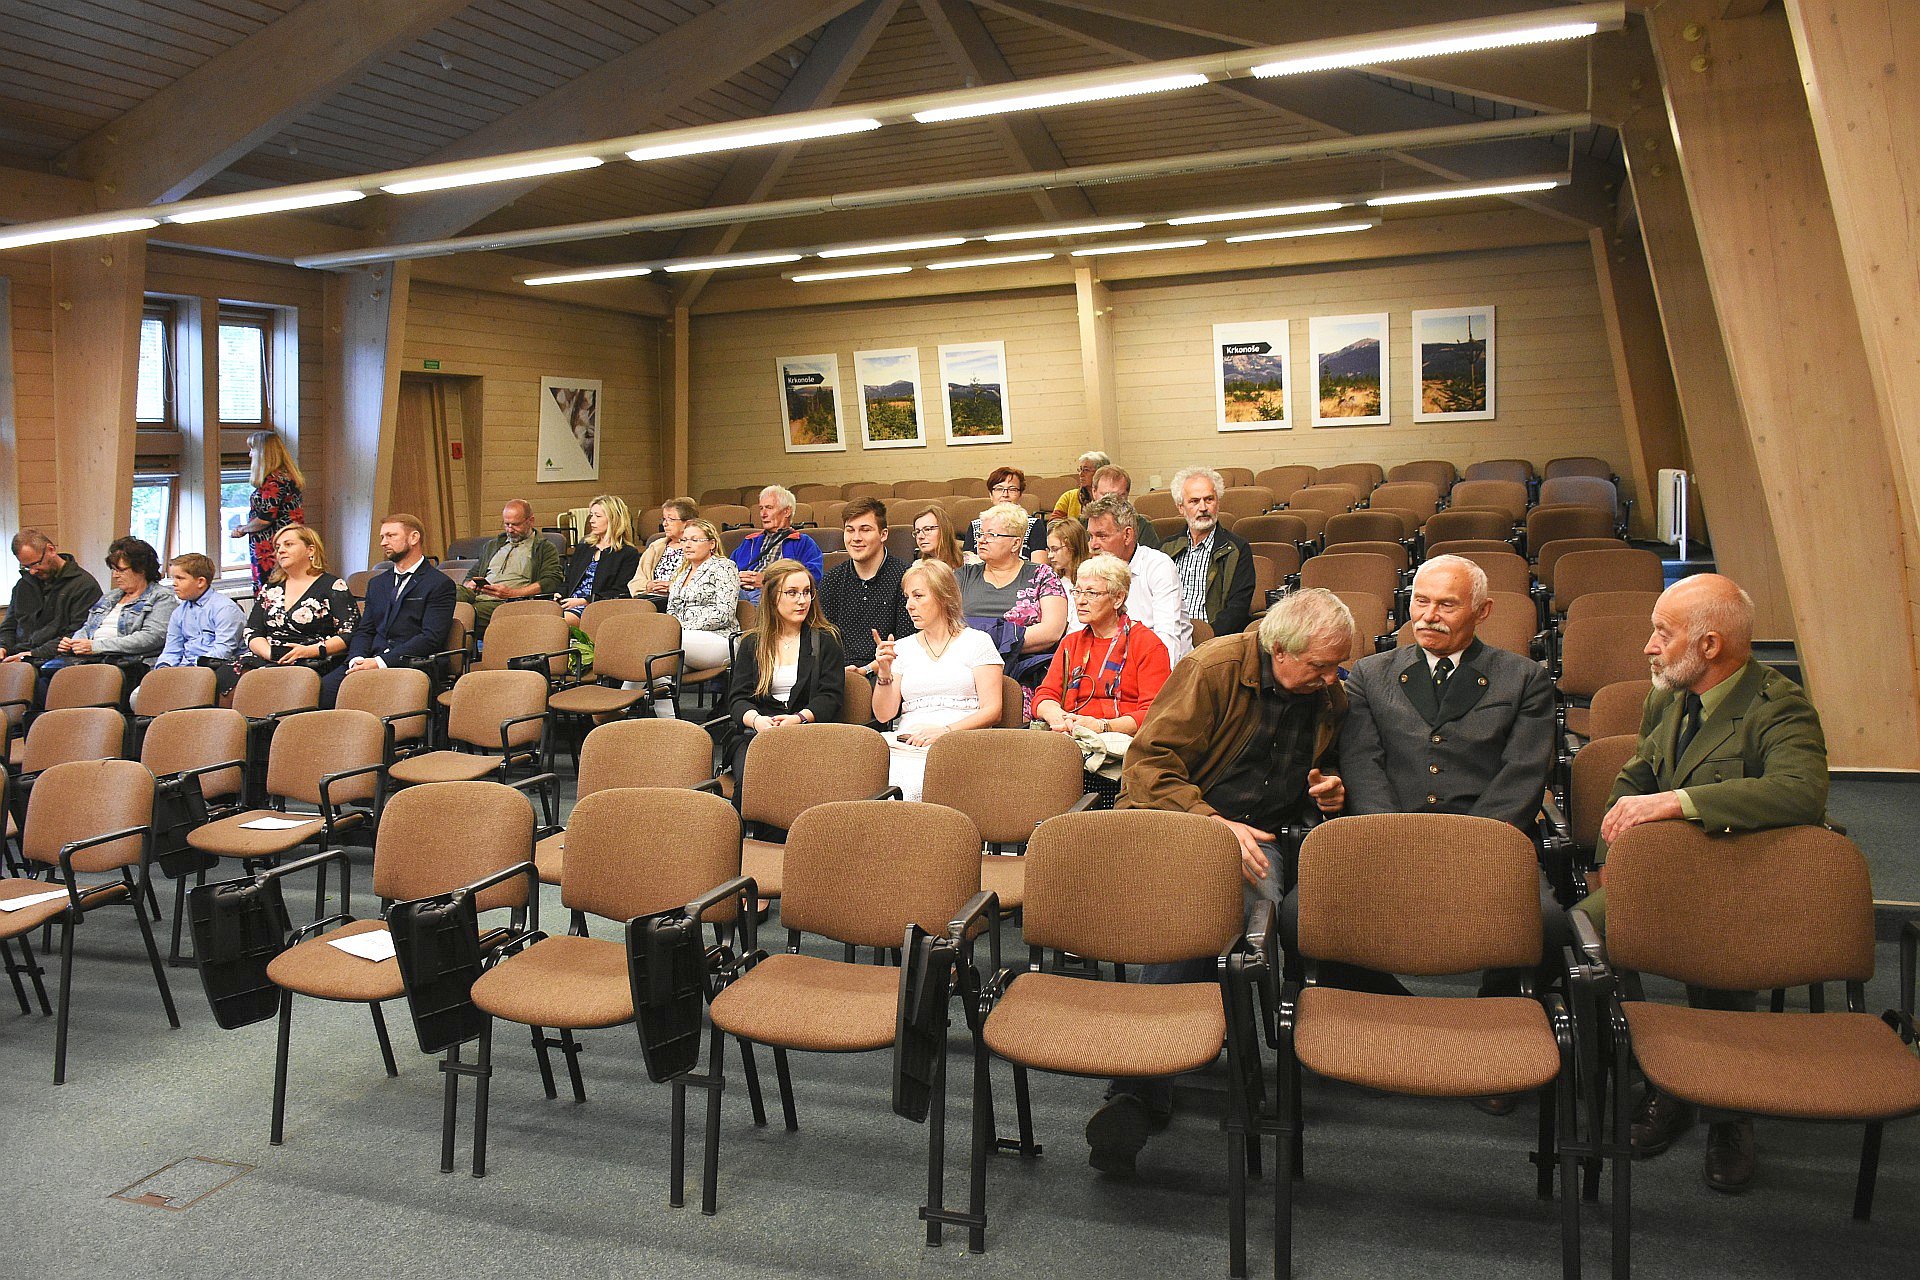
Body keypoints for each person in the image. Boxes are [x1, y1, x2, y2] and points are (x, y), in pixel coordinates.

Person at [1091, 588, 1351, 1174]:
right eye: (1320, 666)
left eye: (1337, 665)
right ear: (1279, 651)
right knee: (1198, 908)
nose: (1332, 678)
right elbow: (1148, 766)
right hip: (1181, 823)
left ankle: (1141, 1085)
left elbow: (1328, 765)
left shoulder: (1325, 693)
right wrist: (1213, 824)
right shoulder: (1212, 671)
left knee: (1222, 905)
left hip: (1265, 838)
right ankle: (1148, 1081)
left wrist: (1331, 789)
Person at [1585, 573, 1829, 1193]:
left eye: (1662, 633)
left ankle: (1727, 1113)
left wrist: (1677, 802)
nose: (1648, 646)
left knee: (1715, 962)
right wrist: (1612, 847)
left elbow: (1800, 792)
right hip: (1668, 872)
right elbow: (1637, 774)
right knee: (1581, 933)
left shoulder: (1779, 705)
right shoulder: (1668, 697)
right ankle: (1663, 1078)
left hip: (1741, 879)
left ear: (1710, 645)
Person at [1335, 554, 1560, 1094]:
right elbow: (1363, 765)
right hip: (1389, 837)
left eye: (1446, 604)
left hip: (1486, 842)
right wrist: (1393, 841)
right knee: (1301, 920)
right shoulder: (1371, 673)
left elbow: (1522, 776)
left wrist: (1467, 851)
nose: (1429, 616)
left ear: (1482, 612)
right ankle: (1401, 1017)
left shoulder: (1524, 678)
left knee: (1549, 927)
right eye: (1420, 601)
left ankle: (1496, 1041)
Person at [870, 559, 1004, 802]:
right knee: (871, 778)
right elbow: (883, 715)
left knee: (912, 784)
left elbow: (993, 710)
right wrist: (885, 672)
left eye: (918, 596)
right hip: (908, 745)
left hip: (960, 743)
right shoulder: (902, 648)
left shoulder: (977, 642)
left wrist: (945, 732)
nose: (909, 605)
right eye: (907, 597)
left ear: (944, 596)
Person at [724, 558, 846, 810]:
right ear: (772, 598)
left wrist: (798, 718)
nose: (802, 600)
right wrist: (757, 720)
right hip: (757, 734)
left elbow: (830, 697)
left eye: (807, 592)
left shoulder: (826, 639)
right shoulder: (752, 643)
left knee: (788, 782)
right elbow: (737, 699)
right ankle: (742, 835)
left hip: (807, 733)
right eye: (792, 593)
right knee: (752, 779)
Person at [1031, 553, 1171, 738]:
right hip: (1070, 734)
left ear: (1118, 599)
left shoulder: (1148, 645)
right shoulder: (1071, 643)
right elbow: (1045, 695)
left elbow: (1154, 714)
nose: (1080, 600)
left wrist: (1102, 726)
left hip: (1123, 740)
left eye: (1091, 593)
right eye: (1077, 591)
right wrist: (1058, 717)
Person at [323, 514, 454, 707]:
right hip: (369, 661)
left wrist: (380, 662)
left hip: (410, 664)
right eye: (382, 537)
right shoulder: (377, 583)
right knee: (326, 689)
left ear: (414, 538)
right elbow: (365, 630)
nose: (383, 542)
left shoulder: (439, 584)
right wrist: (357, 658)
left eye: (391, 536)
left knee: (368, 696)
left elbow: (431, 637)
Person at [958, 502, 1067, 695]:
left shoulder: (1042, 575)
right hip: (965, 669)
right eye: (980, 534)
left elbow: (1052, 631)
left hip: (1023, 671)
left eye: (991, 535)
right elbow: (943, 625)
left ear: (1016, 543)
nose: (981, 541)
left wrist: (992, 642)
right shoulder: (962, 576)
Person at [241, 525, 358, 688]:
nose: (281, 550)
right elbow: (252, 631)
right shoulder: (271, 588)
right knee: (229, 675)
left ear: (310, 550)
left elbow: (349, 634)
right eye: (278, 547)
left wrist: (309, 651)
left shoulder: (333, 586)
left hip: (313, 658)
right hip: (270, 657)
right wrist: (269, 653)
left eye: (288, 544)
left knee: (265, 683)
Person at [52, 537, 176, 684]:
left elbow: (151, 638)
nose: (115, 575)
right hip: (92, 659)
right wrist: (74, 642)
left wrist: (96, 646)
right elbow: (88, 627)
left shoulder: (162, 597)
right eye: (114, 570)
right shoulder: (110, 596)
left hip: (129, 665)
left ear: (141, 569)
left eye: (121, 570)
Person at [1084, 494, 1190, 662]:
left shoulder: (1158, 566)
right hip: (1111, 667)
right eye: (1090, 536)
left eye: (1102, 536)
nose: (1093, 545)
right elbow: (1079, 633)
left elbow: (1168, 639)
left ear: (1127, 535)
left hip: (1159, 666)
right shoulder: (1092, 570)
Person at [818, 497, 914, 672]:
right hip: (837, 673)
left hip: (890, 670)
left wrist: (867, 670)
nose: (856, 538)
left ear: (883, 534)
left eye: (865, 530)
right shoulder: (832, 580)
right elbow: (822, 641)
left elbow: (908, 644)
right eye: (850, 530)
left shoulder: (905, 578)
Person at [1162, 466, 1256, 637]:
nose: (1203, 507)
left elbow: (1237, 609)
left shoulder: (1237, 549)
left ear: (1217, 503)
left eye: (1209, 499)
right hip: (1169, 637)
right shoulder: (1165, 549)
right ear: (1181, 507)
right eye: (1194, 501)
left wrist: (1206, 637)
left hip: (1214, 640)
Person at [460, 500, 563, 637]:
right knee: (448, 593)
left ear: (531, 521)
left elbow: (551, 581)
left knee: (464, 613)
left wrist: (513, 593)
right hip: (478, 596)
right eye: (506, 524)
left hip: (508, 602)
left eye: (515, 525)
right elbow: (471, 574)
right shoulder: (492, 546)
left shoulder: (544, 548)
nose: (509, 529)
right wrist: (470, 584)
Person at [0, 531, 103, 666]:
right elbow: (9, 625)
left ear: (51, 550)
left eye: (36, 563)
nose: (32, 571)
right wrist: (3, 646)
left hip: (53, 660)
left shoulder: (84, 585)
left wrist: (32, 654)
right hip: (17, 656)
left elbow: (77, 633)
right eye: (27, 567)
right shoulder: (24, 584)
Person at [230, 430, 305, 591]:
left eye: (253, 449)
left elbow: (265, 519)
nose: (250, 454)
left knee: (272, 592)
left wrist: (242, 529)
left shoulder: (273, 481)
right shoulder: (286, 476)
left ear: (263, 453)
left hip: (272, 549)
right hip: (289, 542)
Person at [668, 518, 744, 673]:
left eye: (694, 540)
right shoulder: (680, 574)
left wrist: (680, 629)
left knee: (657, 642)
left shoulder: (724, 567)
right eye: (684, 540)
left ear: (712, 544)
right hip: (682, 640)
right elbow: (671, 611)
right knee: (649, 669)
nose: (687, 545)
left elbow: (724, 614)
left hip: (719, 639)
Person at [153, 552, 246, 673]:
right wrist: (163, 669)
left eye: (180, 578)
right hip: (185, 670)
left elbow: (222, 652)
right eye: (173, 578)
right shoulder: (178, 613)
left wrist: (188, 670)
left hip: (217, 670)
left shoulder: (225, 609)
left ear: (201, 582)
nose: (174, 583)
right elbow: (171, 650)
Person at [730, 486, 823, 604]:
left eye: (769, 508)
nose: (763, 514)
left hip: (774, 595)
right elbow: (728, 568)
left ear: (787, 511)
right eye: (761, 508)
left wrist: (769, 581)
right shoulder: (750, 541)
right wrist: (737, 578)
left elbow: (813, 577)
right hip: (739, 592)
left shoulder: (803, 542)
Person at [559, 495, 640, 620]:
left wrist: (584, 601)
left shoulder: (627, 554)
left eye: (598, 516)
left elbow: (620, 592)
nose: (591, 520)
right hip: (570, 603)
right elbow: (568, 582)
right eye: (591, 515)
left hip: (595, 608)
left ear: (613, 519)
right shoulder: (584, 548)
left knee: (555, 623)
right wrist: (559, 594)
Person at [962, 468, 1049, 559]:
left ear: (1020, 495)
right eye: (999, 489)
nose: (1005, 494)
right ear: (991, 495)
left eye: (1012, 489)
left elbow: (1038, 565)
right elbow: (967, 562)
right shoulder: (976, 525)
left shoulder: (1034, 525)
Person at [632, 497, 697, 596]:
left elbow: (703, 583)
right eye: (664, 519)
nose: (664, 524)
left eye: (670, 519)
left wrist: (674, 587)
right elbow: (636, 582)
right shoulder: (656, 546)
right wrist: (648, 585)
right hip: (652, 598)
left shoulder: (699, 548)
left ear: (688, 523)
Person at [1087, 464, 1162, 548]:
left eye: (1118, 496)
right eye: (1105, 495)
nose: (1111, 502)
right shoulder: (1080, 525)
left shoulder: (1142, 527)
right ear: (1094, 492)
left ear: (1127, 495)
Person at [1046, 519, 1090, 628]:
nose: (1050, 556)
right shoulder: (1052, 581)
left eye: (1055, 549)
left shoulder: (1093, 580)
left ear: (1072, 546)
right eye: (1049, 550)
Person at [1050, 450, 1111, 523]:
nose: (1081, 474)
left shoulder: (1112, 499)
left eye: (1086, 470)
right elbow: (1053, 524)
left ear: (1100, 473)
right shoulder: (1069, 497)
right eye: (1080, 469)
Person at [910, 505, 967, 570]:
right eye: (917, 532)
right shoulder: (917, 567)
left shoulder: (970, 563)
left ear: (944, 530)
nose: (920, 537)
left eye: (927, 529)